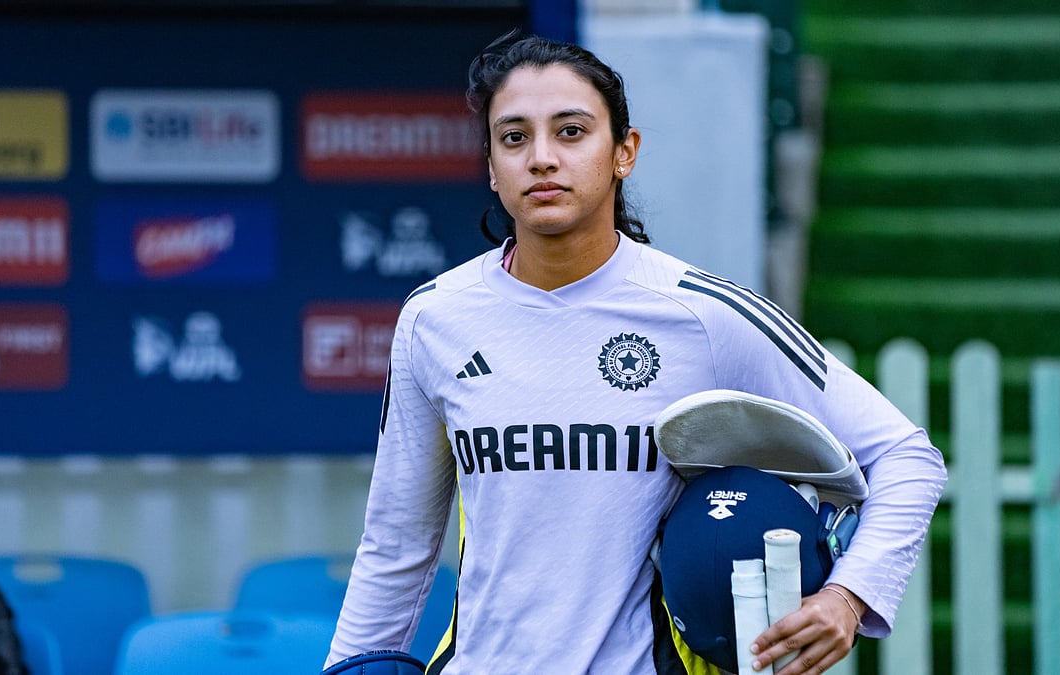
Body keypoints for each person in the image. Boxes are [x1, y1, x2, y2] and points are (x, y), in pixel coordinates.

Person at [325, 30, 947, 675]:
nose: (541, 158)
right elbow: (397, 545)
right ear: (490, 164)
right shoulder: (435, 318)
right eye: (514, 138)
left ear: (624, 152)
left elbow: (906, 457)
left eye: (571, 132)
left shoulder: (702, 313)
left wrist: (848, 596)